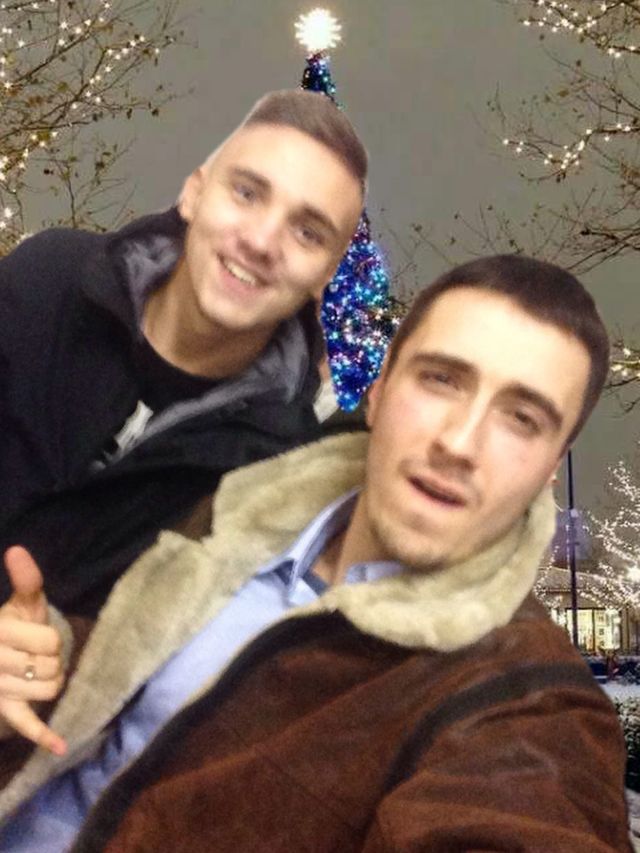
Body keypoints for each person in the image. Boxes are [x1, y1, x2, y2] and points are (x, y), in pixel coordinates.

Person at [0, 255, 632, 851]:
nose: (460, 443)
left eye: (522, 418)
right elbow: (135, 690)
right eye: (441, 380)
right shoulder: (238, 512)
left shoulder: (525, 700)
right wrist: (43, 657)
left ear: (551, 468)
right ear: (379, 393)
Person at [0, 88, 366, 618]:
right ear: (193, 194)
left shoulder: (272, 473)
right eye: (247, 193)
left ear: (325, 277)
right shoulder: (47, 282)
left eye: (307, 232)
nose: (262, 241)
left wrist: (49, 643)